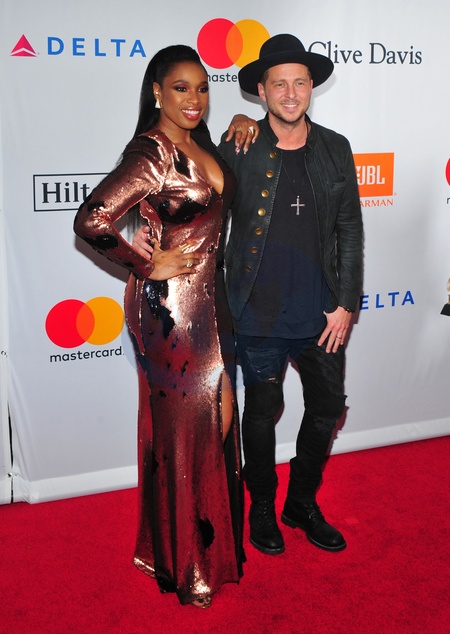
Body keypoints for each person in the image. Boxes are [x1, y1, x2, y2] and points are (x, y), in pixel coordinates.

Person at [134, 34, 363, 558]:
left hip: (323, 312)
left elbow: (349, 228)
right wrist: (150, 238)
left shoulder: (337, 147)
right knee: (260, 413)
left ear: (312, 87)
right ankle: (262, 505)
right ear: (261, 91)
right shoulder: (238, 145)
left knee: (327, 408)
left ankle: (300, 503)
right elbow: (192, 196)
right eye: (279, 84)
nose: (290, 93)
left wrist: (347, 302)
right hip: (257, 312)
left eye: (299, 82)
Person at [74, 45, 257, 608]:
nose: (194, 98)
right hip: (171, 312)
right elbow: (92, 219)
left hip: (212, 301)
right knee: (187, 429)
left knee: (219, 420)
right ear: (157, 91)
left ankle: (206, 549)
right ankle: (187, 564)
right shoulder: (152, 152)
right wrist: (145, 264)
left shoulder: (200, 143)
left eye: (202, 88)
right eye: (181, 88)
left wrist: (243, 121)